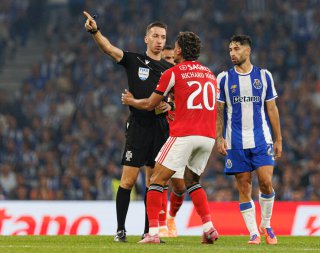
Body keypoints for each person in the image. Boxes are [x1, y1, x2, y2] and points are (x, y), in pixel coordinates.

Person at [83, 11, 174, 242]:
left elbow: (177, 98)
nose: (159, 40)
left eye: (163, 37)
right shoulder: (134, 60)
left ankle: (149, 231)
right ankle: (120, 229)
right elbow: (109, 49)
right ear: (146, 39)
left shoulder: (169, 69)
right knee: (128, 180)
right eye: (155, 36)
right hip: (138, 126)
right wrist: (95, 31)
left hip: (160, 128)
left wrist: (170, 105)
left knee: (155, 183)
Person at [122, 31, 219, 244]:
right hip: (208, 136)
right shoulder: (210, 74)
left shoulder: (174, 72)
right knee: (192, 181)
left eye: (175, 47)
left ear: (180, 50)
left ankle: (153, 233)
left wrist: (131, 101)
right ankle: (209, 227)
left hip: (184, 134)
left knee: (156, 180)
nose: (172, 50)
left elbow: (150, 104)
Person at [216, 35, 282, 245]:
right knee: (244, 186)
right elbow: (219, 111)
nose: (232, 53)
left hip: (262, 138)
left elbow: (271, 108)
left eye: (236, 49)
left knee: (266, 182)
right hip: (235, 141)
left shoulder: (264, 76)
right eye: (230, 50)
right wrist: (219, 137)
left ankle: (267, 224)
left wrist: (278, 139)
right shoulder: (224, 78)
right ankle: (254, 233)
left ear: (248, 50)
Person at [158, 45, 186, 238]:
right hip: (159, 135)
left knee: (180, 186)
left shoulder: (181, 80)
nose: (169, 61)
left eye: (171, 58)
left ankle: (171, 217)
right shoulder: (158, 80)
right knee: (159, 180)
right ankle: (159, 224)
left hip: (180, 136)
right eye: (165, 58)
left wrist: (173, 105)